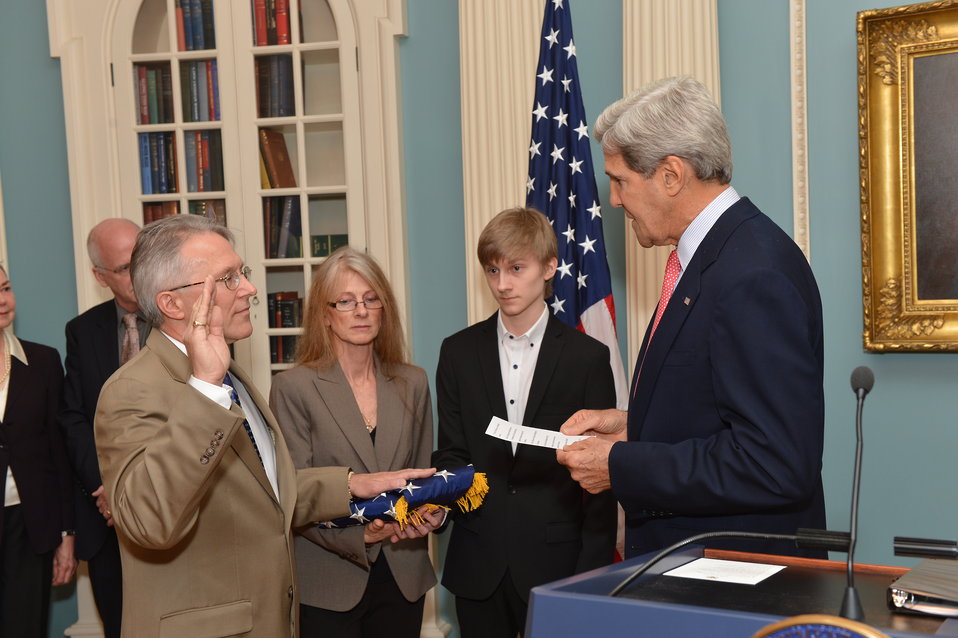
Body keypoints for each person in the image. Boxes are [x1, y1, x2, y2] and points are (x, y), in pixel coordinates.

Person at [93, 215, 434, 638]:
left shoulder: (233, 377)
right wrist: (204, 390)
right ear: (173, 304)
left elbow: (269, 492)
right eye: (228, 278)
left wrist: (353, 485)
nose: (250, 289)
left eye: (244, 273)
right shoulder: (133, 389)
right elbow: (149, 521)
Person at [556, 76, 826, 559]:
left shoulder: (751, 273)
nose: (614, 200)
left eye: (620, 181)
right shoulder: (714, 255)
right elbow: (715, 409)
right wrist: (634, 427)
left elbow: (774, 463)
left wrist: (622, 466)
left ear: (671, 175)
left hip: (737, 584)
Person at [432, 207, 617, 638]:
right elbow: (452, 451)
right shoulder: (457, 352)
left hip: (559, 565)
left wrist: (591, 575)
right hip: (478, 562)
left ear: (550, 267)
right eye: (492, 270)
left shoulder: (586, 357)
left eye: (516, 268)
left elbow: (601, 473)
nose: (502, 283)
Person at [270, 247, 439, 638]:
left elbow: (421, 473)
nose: (360, 311)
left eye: (370, 299)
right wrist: (359, 535)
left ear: (384, 308)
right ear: (324, 314)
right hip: (329, 582)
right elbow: (293, 492)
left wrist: (432, 512)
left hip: (402, 574)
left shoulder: (412, 382)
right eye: (345, 301)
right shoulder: (293, 387)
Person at [58, 218, 143, 638]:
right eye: (126, 267)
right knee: (120, 625)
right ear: (100, 276)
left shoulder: (181, 323)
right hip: (105, 513)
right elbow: (73, 417)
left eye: (143, 258)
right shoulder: (81, 331)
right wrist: (106, 485)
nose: (139, 272)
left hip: (179, 505)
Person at [0, 265, 77, 637]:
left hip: (30, 527)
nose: (2, 301)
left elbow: (58, 455)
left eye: (5, 288)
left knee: (24, 627)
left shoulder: (43, 361)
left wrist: (66, 534)